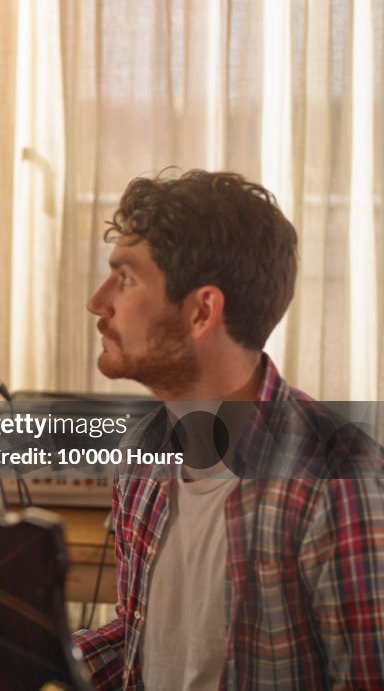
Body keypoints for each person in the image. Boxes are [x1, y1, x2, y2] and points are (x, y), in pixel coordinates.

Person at [74, 170, 384, 690]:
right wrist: (22, 657)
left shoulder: (339, 478)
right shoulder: (142, 452)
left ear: (202, 311)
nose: (98, 301)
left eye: (125, 278)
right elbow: (144, 636)